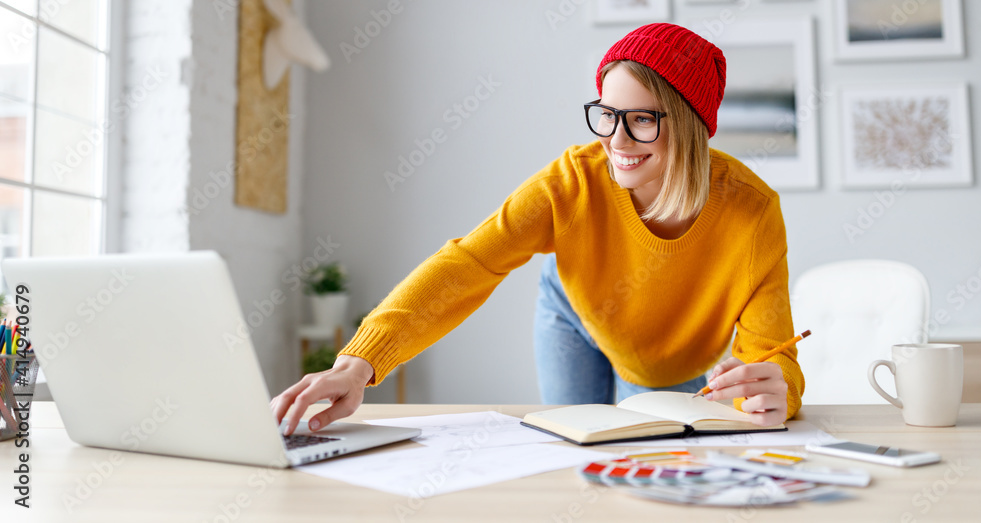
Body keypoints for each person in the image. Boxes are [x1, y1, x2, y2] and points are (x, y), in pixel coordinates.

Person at [272, 23, 805, 436]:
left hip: (673, 358)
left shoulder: (751, 212)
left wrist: (778, 389)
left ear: (688, 125)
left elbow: (772, 355)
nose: (616, 139)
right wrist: (358, 362)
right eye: (607, 113)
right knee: (575, 446)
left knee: (647, 463)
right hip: (573, 314)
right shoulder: (572, 180)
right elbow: (467, 263)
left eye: (642, 119)